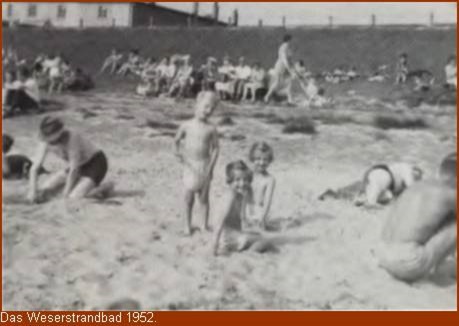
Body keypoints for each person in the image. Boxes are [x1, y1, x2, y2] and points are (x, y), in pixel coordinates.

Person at [376, 165, 456, 282]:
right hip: (407, 264)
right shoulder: (450, 194)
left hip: (381, 252)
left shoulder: (419, 185)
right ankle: (444, 269)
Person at [27, 116, 111, 203]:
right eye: (45, 135)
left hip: (96, 163)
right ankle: (85, 187)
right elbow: (34, 168)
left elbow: (74, 169)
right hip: (79, 164)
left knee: (72, 198)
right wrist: (32, 191)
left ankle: (103, 188)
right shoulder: (44, 140)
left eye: (50, 136)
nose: (47, 140)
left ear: (59, 132)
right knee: (44, 189)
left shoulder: (72, 137)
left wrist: (65, 194)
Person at [174, 91, 220, 236]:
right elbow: (176, 140)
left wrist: (211, 168)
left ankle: (203, 225)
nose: (208, 111)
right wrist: (178, 153)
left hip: (204, 165)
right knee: (188, 197)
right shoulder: (186, 125)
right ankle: (187, 226)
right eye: (205, 107)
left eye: (211, 109)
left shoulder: (211, 129)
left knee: (204, 198)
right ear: (197, 105)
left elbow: (216, 148)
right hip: (190, 165)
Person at [213, 160, 277, 256]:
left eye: (245, 179)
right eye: (237, 180)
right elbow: (219, 222)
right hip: (226, 236)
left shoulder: (240, 194)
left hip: (232, 233)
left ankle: (238, 248)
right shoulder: (230, 196)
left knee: (257, 236)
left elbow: (242, 217)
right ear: (230, 181)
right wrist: (214, 246)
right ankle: (249, 253)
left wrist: (251, 224)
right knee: (265, 241)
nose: (242, 183)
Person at [354, 163, 423, 208]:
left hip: (380, 178)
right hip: (383, 175)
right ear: (414, 169)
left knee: (388, 196)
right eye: (417, 177)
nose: (416, 179)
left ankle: (364, 200)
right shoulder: (408, 169)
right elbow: (411, 187)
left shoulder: (400, 170)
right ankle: (369, 201)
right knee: (373, 200)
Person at [245, 142, 276, 230]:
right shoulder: (247, 174)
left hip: (260, 213)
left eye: (265, 159)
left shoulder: (269, 179)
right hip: (245, 210)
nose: (261, 163)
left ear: (269, 160)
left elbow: (267, 201)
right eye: (258, 159)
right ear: (252, 159)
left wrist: (262, 219)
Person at [264, 35, 296, 105]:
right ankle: (267, 96)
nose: (292, 42)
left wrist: (294, 67)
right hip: (280, 66)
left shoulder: (289, 48)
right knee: (277, 82)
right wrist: (290, 70)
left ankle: (290, 100)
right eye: (291, 40)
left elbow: (290, 59)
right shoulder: (283, 47)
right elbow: (284, 60)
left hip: (286, 67)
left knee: (289, 82)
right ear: (288, 40)